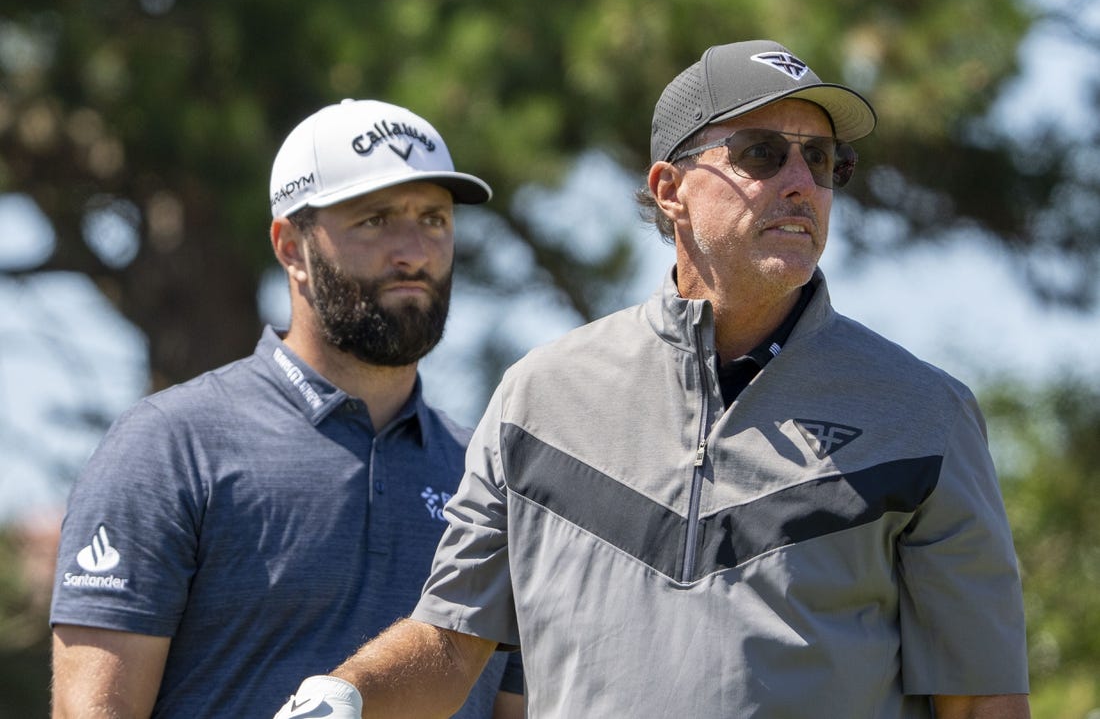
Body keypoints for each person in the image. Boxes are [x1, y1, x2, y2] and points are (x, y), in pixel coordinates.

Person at [274, 41, 1031, 719]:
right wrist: (347, 694)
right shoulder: (538, 397)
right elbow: (449, 644)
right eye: (764, 154)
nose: (803, 183)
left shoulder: (924, 415)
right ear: (670, 189)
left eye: (825, 161)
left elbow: (982, 699)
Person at [49, 98, 524, 718]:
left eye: (433, 219)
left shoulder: (488, 476)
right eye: (375, 220)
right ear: (290, 246)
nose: (413, 251)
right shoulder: (169, 447)